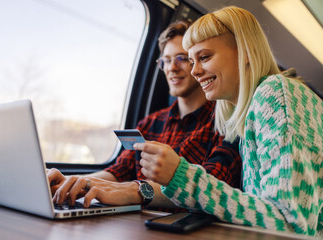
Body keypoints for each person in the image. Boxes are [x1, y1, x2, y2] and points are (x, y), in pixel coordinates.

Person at [135, 6, 323, 237]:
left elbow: (290, 223)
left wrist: (181, 176)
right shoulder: (246, 117)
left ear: (246, 52)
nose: (194, 71)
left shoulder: (277, 93)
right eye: (192, 61)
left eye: (204, 57)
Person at [47, 20, 241, 210]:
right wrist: (72, 182)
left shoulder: (223, 122)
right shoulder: (150, 122)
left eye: (181, 58)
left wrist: (134, 191)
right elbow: (119, 171)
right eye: (166, 60)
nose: (171, 67)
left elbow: (214, 188)